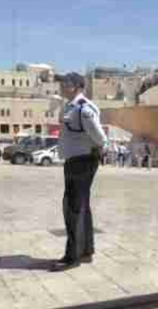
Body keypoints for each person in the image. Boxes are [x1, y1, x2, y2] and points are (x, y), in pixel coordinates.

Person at [50, 72, 108, 272]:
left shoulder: (84, 109)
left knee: (73, 208)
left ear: (76, 86)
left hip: (82, 161)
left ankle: (72, 256)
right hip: (74, 160)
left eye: (65, 83)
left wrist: (99, 149)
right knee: (81, 206)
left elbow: (100, 137)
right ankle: (86, 249)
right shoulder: (71, 106)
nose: (62, 86)